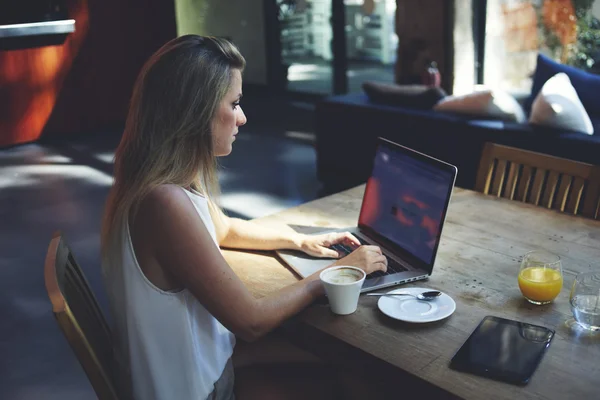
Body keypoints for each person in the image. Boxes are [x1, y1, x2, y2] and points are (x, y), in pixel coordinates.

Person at [100, 35, 387, 400]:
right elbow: (251, 321)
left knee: (344, 361)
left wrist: (301, 240)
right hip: (203, 392)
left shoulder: (154, 181)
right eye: (234, 104)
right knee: (356, 379)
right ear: (194, 111)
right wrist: (333, 275)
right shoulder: (164, 202)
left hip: (210, 363)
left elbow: (225, 228)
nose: (243, 117)